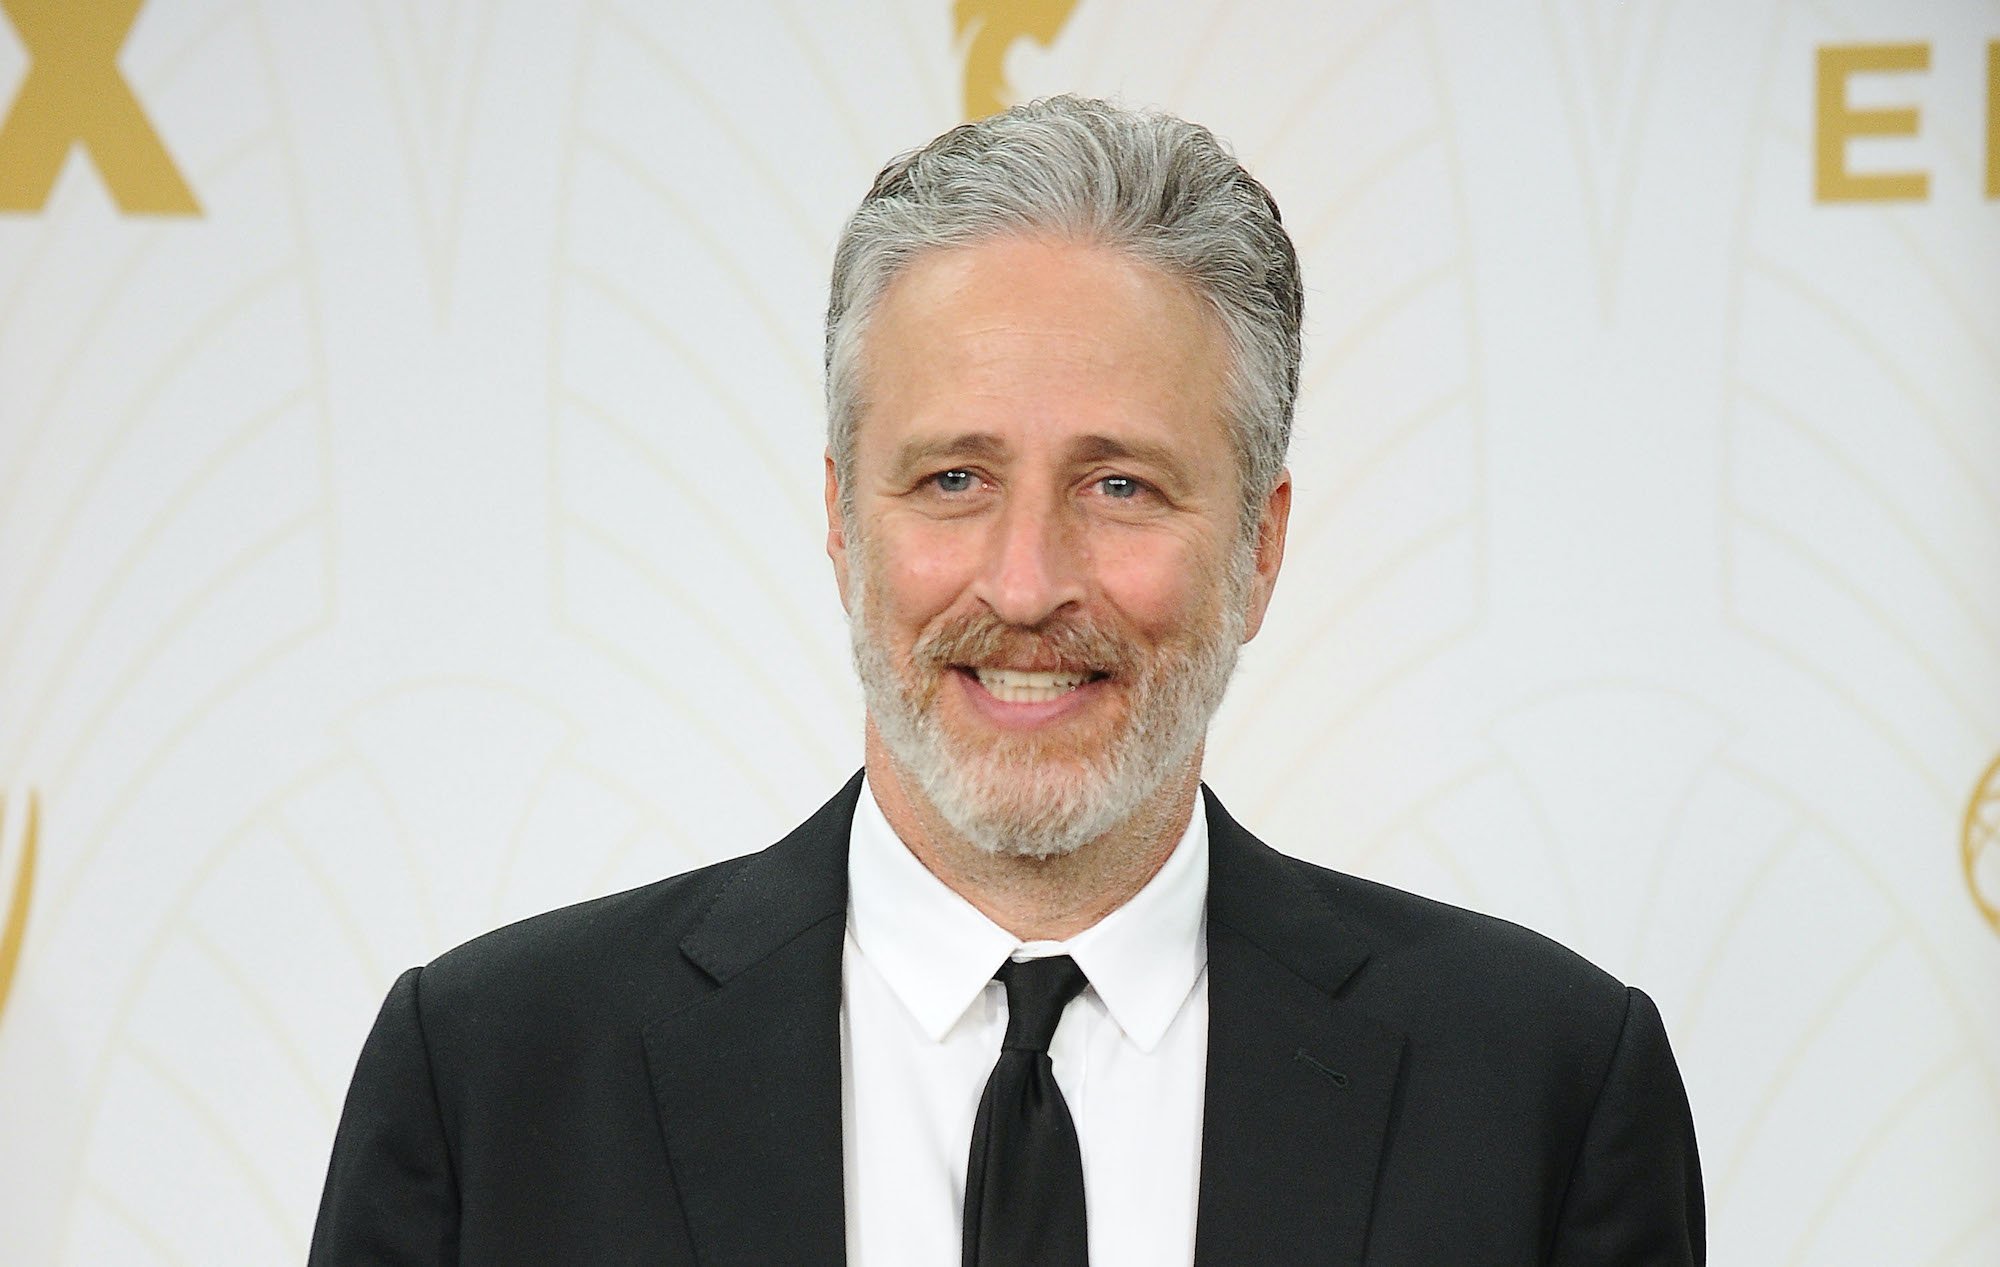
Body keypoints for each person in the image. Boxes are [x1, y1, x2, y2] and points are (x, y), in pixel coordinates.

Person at [311, 95, 1703, 1265]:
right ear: (845, 521)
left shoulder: (1546, 1090)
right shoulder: (492, 1083)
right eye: (955, 479)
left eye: (1122, 483)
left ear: (1261, 549)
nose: (1029, 583)